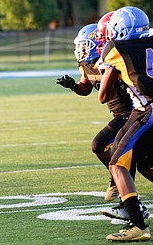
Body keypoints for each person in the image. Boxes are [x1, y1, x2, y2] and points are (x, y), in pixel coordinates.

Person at [98, 6, 153, 242]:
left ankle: (137, 225)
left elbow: (103, 96)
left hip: (150, 108)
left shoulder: (115, 49)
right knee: (145, 160)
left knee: (117, 163)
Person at [56, 23, 132, 202]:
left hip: (133, 112)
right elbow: (86, 88)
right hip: (120, 114)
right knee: (146, 157)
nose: (81, 49)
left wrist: (106, 69)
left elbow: (107, 95)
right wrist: (73, 86)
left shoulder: (111, 61)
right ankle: (118, 179)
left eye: (84, 45)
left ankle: (119, 181)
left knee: (102, 146)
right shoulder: (87, 64)